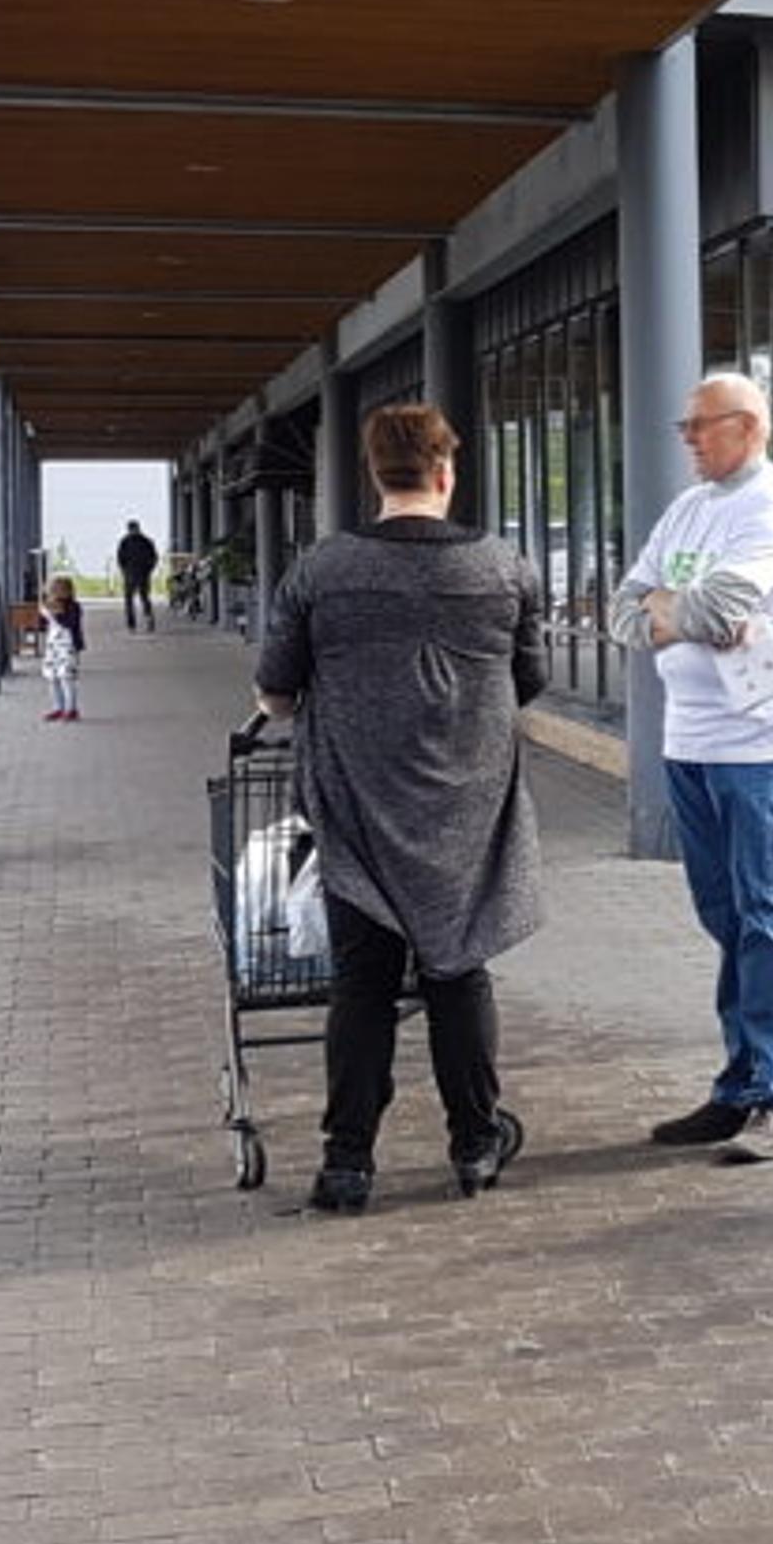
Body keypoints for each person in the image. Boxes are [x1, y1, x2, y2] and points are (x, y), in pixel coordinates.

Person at [253, 403, 547, 1216]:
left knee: (361, 984)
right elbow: (528, 680)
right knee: (459, 971)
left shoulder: (322, 570)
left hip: (357, 811)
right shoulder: (503, 568)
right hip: (466, 811)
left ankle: (347, 1163)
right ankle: (475, 1144)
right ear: (445, 473)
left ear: (375, 475)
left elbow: (276, 690)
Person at [613, 370, 773, 1165]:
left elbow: (716, 608)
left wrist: (673, 606)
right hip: (689, 740)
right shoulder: (690, 508)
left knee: (764, 912)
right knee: (723, 915)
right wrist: (677, 611)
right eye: (685, 427)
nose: (689, 439)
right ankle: (738, 1081)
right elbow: (624, 609)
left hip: (755, 743)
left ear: (750, 426)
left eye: (701, 425)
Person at [38, 574, 88, 721]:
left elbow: (69, 624)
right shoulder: (50, 606)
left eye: (53, 591)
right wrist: (44, 615)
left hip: (68, 647)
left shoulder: (73, 607)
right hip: (52, 647)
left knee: (66, 677)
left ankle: (71, 708)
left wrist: (56, 614)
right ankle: (58, 707)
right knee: (52, 677)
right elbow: (42, 627)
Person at [115, 520, 160, 632]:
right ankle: (145, 620)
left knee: (132, 599)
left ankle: (133, 624)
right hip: (140, 574)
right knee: (143, 598)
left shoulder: (125, 542)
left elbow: (120, 559)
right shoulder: (146, 541)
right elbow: (154, 557)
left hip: (132, 574)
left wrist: (125, 570)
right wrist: (149, 569)